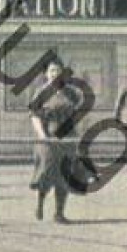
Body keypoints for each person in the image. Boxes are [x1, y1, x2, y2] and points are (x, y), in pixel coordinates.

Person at [29, 58, 87, 224]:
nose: (55, 74)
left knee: (64, 175)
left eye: (58, 70)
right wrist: (42, 135)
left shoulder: (71, 93)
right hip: (48, 138)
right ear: (46, 74)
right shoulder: (41, 92)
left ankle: (59, 213)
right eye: (52, 70)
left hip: (67, 138)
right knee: (46, 173)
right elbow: (35, 116)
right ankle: (40, 203)